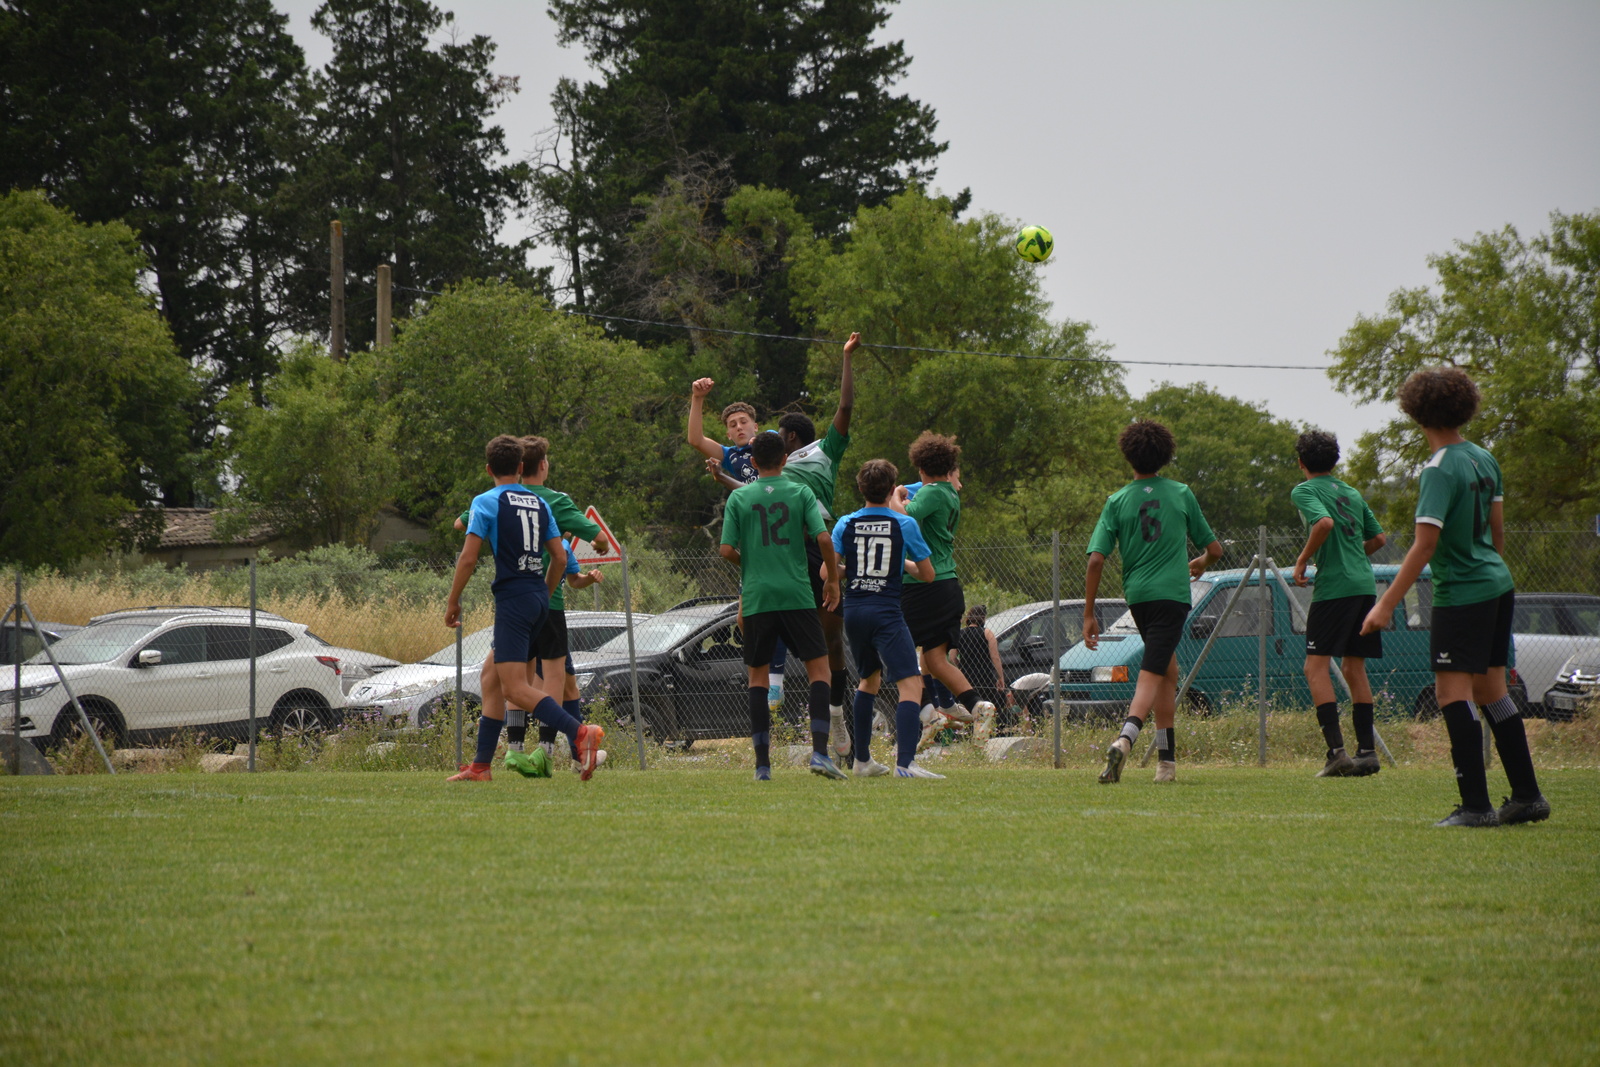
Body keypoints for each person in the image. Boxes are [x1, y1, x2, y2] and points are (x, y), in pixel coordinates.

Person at [1360, 367, 1549, 827]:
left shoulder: (1439, 468)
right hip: (1497, 583)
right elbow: (1497, 533)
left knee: (1451, 693)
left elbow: (1424, 546)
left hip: (1462, 592)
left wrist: (1385, 604)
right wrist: (1487, 573)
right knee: (1492, 691)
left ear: (1415, 412)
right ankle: (1527, 797)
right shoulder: (1484, 458)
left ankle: (1476, 807)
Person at [444, 435, 603, 782]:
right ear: (519, 467)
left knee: (515, 688)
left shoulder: (485, 501)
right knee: (491, 678)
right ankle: (481, 766)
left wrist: (453, 600)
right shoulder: (540, 503)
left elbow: (468, 557)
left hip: (513, 600)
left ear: (489, 469)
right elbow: (559, 557)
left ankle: (581, 733)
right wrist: (543, 594)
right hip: (538, 598)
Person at [1085, 420, 1223, 785]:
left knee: (1167, 671)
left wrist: (1088, 614)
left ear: (1128, 455)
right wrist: (1202, 562)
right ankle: (1126, 738)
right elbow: (1215, 549)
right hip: (1173, 596)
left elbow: (1096, 560)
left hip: (1139, 598)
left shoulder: (1117, 501)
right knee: (1152, 670)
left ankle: (1166, 762)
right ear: (1166, 454)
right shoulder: (1180, 493)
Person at [718, 430, 844, 781]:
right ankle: (820, 754)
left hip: (757, 597)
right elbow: (823, 538)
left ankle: (762, 766)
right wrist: (832, 580)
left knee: (758, 678)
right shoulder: (801, 492)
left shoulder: (740, 497)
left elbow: (726, 550)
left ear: (753, 462)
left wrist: (752, 563)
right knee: (819, 671)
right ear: (785, 460)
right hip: (796, 594)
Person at [775, 332, 859, 759]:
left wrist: (846, 358)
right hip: (783, 550)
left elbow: (845, 408)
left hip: (817, 547)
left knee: (831, 640)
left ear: (791, 437)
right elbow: (751, 497)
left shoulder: (825, 450)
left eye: (778, 434)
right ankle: (777, 686)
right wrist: (724, 478)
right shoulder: (773, 467)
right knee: (778, 629)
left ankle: (838, 715)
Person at [831, 459, 941, 778]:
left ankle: (862, 761)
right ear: (893, 489)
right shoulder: (904, 524)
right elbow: (928, 574)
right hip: (886, 611)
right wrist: (901, 563)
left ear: (860, 488)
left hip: (854, 611)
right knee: (911, 684)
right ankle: (905, 764)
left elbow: (828, 572)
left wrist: (856, 570)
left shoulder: (845, 523)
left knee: (869, 680)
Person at [1289, 430, 1388, 778]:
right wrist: (1351, 556)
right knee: (1353, 667)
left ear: (1301, 463)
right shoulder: (1351, 492)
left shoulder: (1304, 490)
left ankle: (1336, 753)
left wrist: (1303, 558)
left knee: (1314, 667)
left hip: (1335, 588)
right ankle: (1367, 753)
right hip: (1364, 585)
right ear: (1335, 461)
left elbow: (1324, 522)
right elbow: (1378, 539)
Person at [686, 379, 788, 712]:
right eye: (732, 424)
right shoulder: (732, 456)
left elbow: (780, 440)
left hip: (780, 536)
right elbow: (695, 440)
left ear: (755, 426)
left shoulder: (768, 443)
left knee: (779, 610)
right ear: (728, 434)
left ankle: (776, 676)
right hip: (753, 541)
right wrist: (697, 398)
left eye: (744, 421)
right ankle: (768, 668)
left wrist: (766, 438)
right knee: (745, 618)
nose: (739, 427)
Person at [899, 433, 997, 744]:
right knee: (934, 660)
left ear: (921, 468)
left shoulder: (931, 492)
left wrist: (896, 495)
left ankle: (929, 712)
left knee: (897, 650)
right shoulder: (949, 493)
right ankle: (977, 705)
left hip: (925, 585)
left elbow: (904, 517)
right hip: (948, 585)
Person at [954, 604, 1006, 739]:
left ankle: (967, 735)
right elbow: (995, 657)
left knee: (968, 706)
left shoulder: (960, 634)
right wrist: (1000, 677)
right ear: (983, 618)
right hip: (985, 676)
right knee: (985, 706)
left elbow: (953, 657)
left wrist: (961, 666)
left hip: (966, 676)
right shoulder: (987, 633)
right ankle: (985, 734)